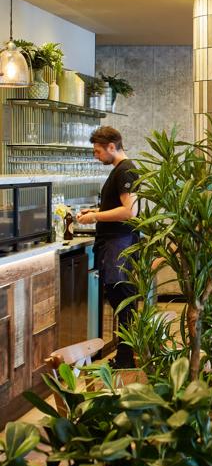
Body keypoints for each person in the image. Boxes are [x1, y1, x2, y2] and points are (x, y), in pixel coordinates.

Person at [77, 126, 138, 369]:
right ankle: (125, 358)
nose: (96, 156)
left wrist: (95, 218)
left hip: (118, 245)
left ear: (112, 147)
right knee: (121, 302)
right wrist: (97, 212)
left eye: (98, 151)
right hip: (116, 244)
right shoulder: (121, 170)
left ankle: (125, 360)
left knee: (122, 302)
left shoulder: (125, 171)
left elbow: (129, 211)